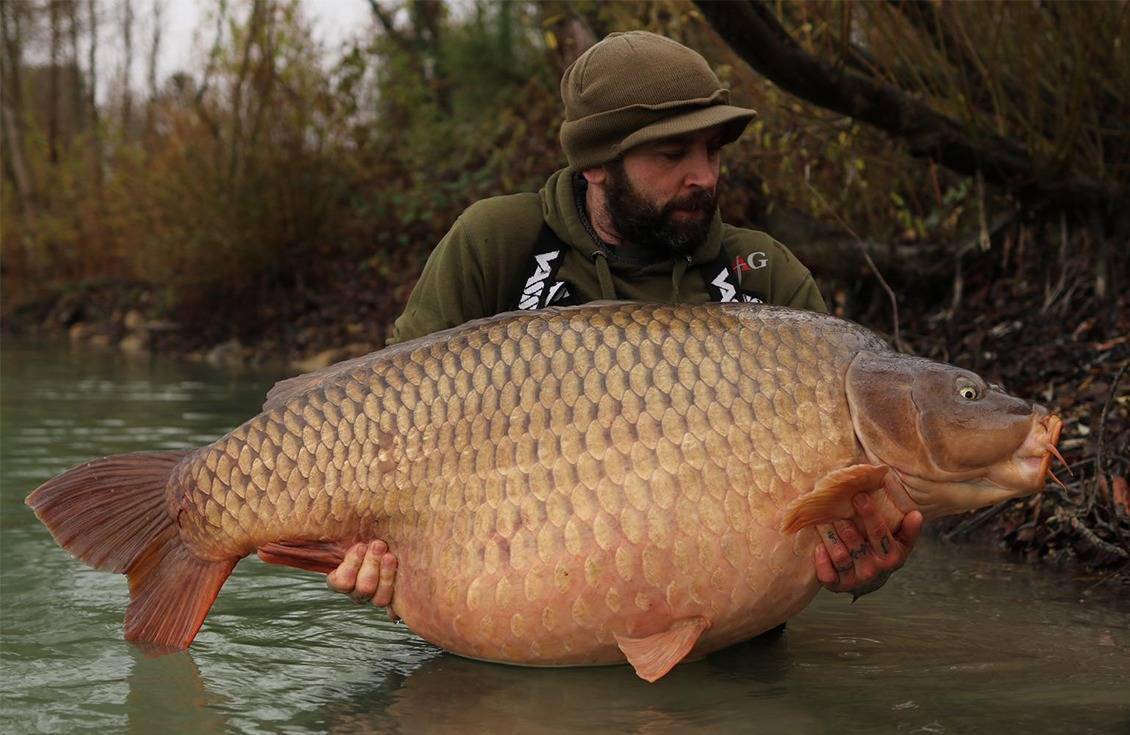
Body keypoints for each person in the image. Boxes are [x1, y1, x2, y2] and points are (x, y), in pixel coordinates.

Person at [325, 31, 923, 619]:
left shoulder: (764, 280)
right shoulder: (498, 244)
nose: (705, 177)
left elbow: (842, 520)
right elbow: (385, 426)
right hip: (506, 636)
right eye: (673, 155)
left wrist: (862, 570)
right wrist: (363, 553)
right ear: (595, 164)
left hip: (726, 654)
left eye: (712, 150)